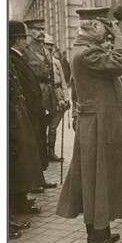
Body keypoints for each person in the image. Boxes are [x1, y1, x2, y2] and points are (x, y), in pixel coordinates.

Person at [55, 7, 122, 243]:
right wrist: (121, 37)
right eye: (106, 27)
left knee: (97, 181)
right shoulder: (87, 53)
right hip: (99, 128)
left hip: (97, 125)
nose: (109, 32)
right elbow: (120, 63)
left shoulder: (84, 50)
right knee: (99, 181)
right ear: (94, 26)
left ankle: (99, 234)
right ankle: (99, 241)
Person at [8, 20, 43, 239]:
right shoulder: (9, 58)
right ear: (15, 40)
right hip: (12, 118)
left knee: (20, 165)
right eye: (22, 38)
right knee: (12, 168)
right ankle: (7, 216)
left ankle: (16, 207)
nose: (25, 42)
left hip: (18, 115)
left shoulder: (13, 59)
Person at [22, 18, 56, 182]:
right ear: (29, 31)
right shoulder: (25, 49)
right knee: (35, 137)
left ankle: (41, 177)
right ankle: (34, 180)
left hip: (46, 96)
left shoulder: (43, 49)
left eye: (42, 29)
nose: (41, 33)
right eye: (37, 29)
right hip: (34, 97)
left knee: (41, 135)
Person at [44, 34, 71, 162]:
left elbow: (64, 81)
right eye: (46, 45)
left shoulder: (57, 62)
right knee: (43, 125)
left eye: (51, 45)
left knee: (54, 126)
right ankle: (43, 152)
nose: (49, 47)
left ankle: (51, 152)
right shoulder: (41, 61)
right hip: (45, 94)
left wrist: (66, 97)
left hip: (58, 92)